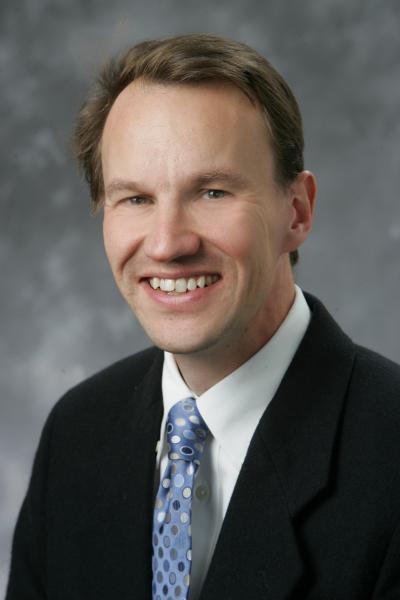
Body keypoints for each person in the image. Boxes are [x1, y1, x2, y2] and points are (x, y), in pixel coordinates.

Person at [6, 33, 400, 600]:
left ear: (297, 211)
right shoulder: (77, 433)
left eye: (212, 192)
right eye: (135, 198)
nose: (167, 244)